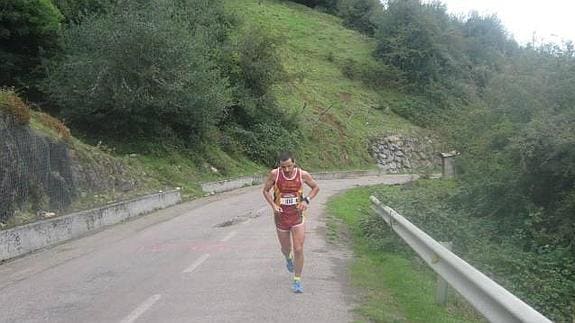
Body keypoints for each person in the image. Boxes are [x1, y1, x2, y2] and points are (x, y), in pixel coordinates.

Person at [262, 152, 320, 293]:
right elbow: (265, 191)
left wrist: (306, 200)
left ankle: (297, 281)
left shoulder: (302, 174)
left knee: (298, 249)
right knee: (286, 249)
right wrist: (273, 205)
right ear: (279, 166)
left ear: (294, 163)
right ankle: (288, 258)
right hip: (281, 217)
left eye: (289, 166)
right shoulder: (275, 174)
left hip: (297, 217)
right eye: (283, 167)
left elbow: (316, 188)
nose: (286, 170)